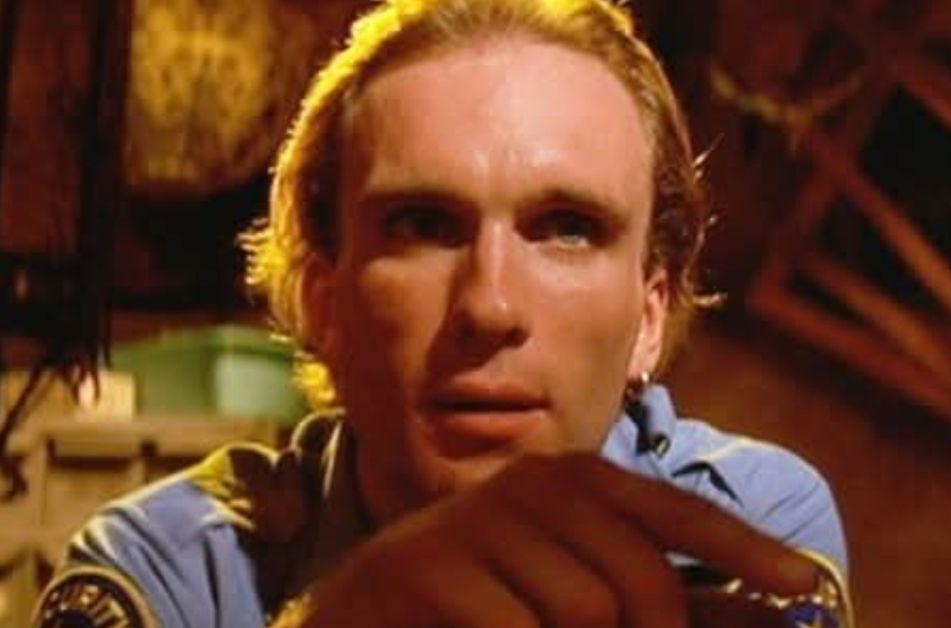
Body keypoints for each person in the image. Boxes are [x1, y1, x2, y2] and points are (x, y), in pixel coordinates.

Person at [33, 1, 850, 626]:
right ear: (323, 302)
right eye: (422, 226)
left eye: (568, 229)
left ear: (650, 317)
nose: (489, 305)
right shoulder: (167, 572)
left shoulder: (739, 529)